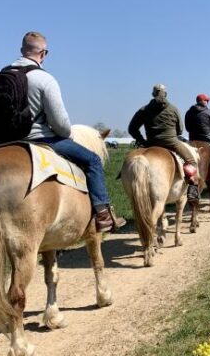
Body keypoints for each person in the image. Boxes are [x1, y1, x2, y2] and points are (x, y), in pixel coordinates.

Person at [11, 31, 125, 232]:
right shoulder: (44, 79)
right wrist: (68, 134)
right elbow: (61, 124)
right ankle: (103, 214)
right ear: (44, 53)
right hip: (40, 139)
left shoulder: (4, 75)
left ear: (22, 50)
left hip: (6, 141)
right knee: (93, 161)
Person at [127, 83, 200, 189]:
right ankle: (192, 186)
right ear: (165, 94)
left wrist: (143, 141)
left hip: (151, 143)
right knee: (192, 161)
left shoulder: (144, 110)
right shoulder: (173, 109)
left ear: (153, 94)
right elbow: (180, 130)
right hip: (172, 143)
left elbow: (132, 129)